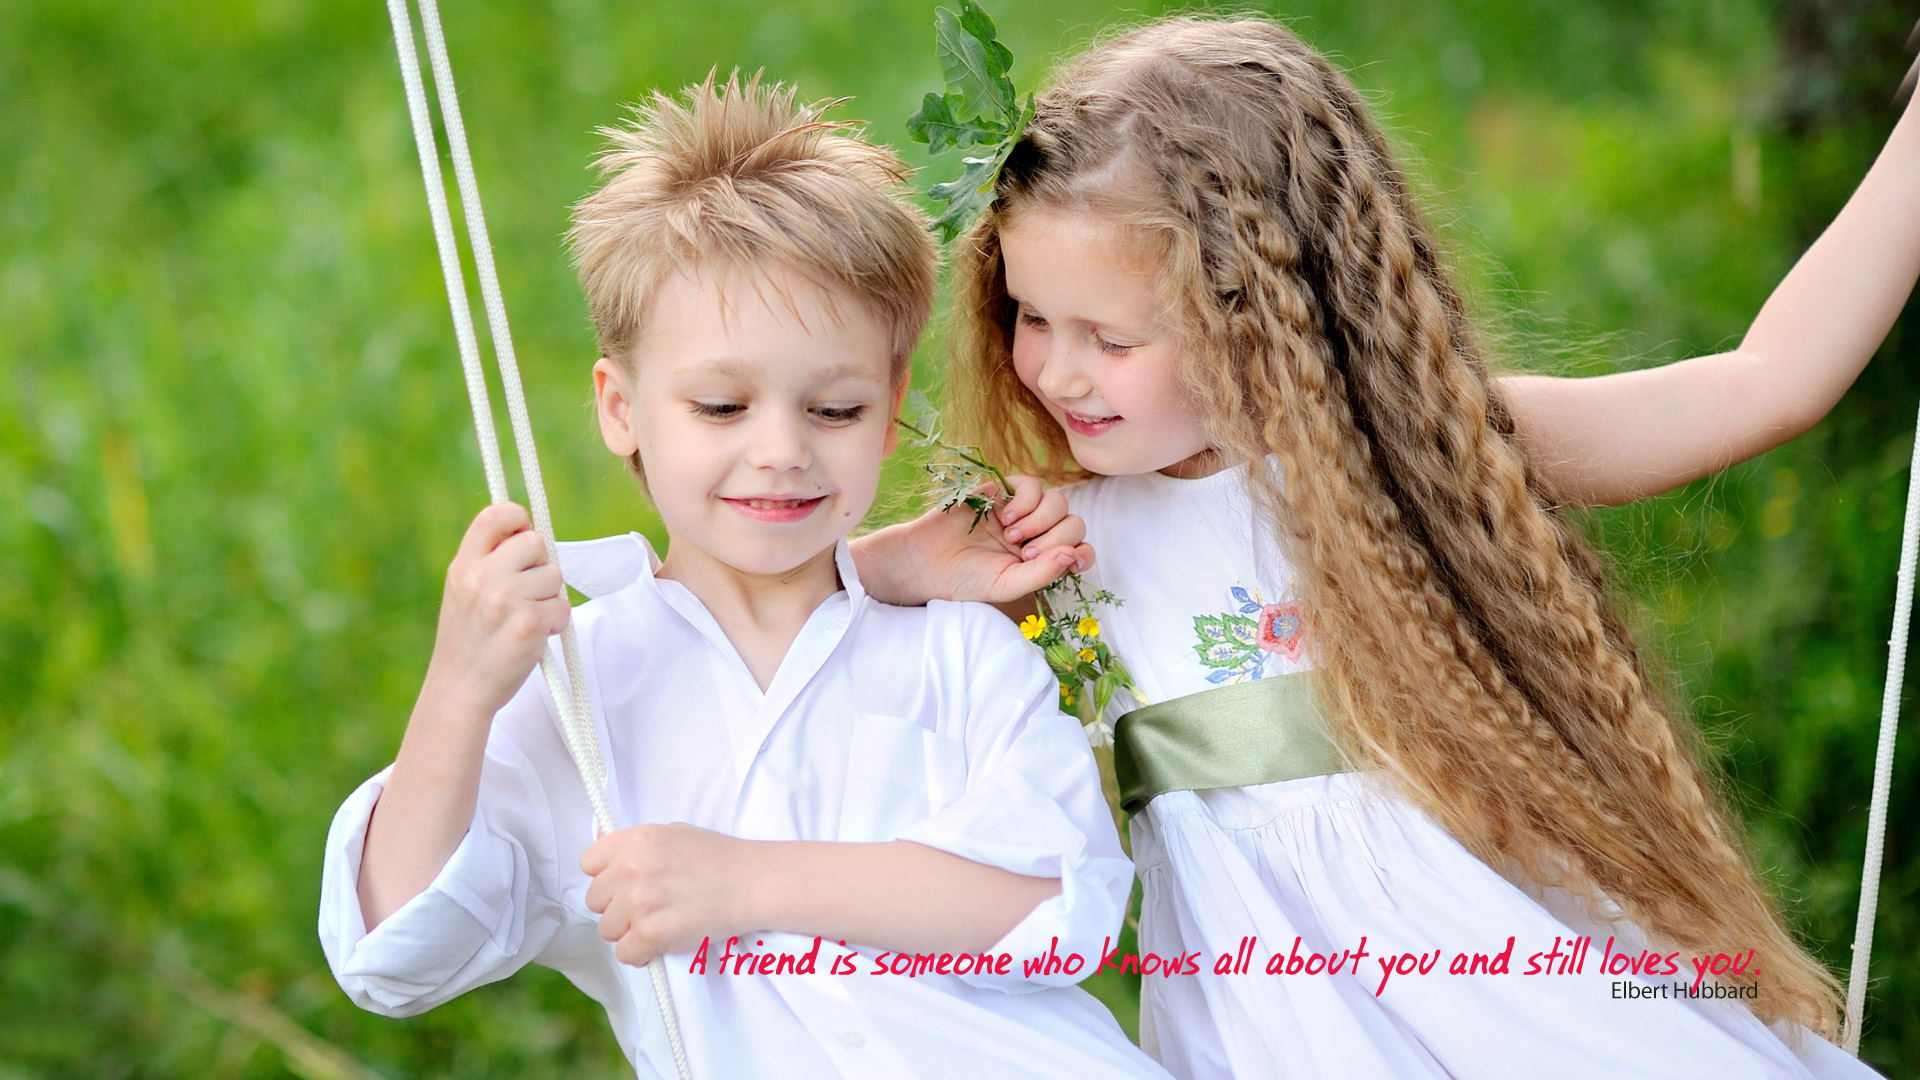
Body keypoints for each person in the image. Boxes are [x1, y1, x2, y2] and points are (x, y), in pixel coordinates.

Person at [851, 15, 1918, 1079]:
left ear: (1261, 309)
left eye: (1112, 339)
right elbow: (766, 613)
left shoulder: (1426, 456)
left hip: (1517, 994)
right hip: (1271, 1023)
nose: (1057, 372)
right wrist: (901, 570)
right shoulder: (1057, 537)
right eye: (1031, 317)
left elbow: (1770, 381)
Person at [318, 73, 1169, 1080]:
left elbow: (1062, 913)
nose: (780, 452)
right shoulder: (579, 693)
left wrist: (749, 884)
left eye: (835, 411)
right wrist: (459, 689)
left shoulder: (955, 648)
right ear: (621, 406)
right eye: (721, 407)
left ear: (891, 407)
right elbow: (396, 956)